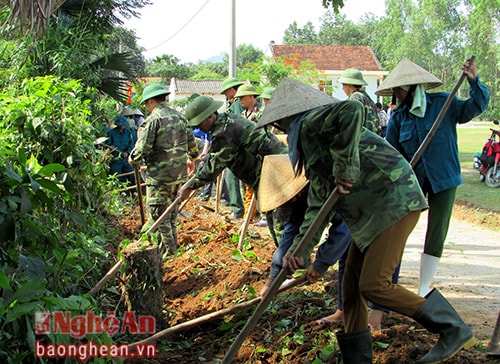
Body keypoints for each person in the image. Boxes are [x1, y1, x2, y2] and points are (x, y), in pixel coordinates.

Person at [257, 77, 476, 364]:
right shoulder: (313, 145)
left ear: (284, 120)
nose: (279, 130)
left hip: (393, 200)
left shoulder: (311, 122)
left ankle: (452, 328)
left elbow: (352, 110)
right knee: (351, 287)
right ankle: (358, 359)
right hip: (372, 212)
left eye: (278, 125)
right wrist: (300, 252)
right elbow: (317, 204)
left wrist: (346, 166)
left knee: (374, 285)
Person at [379, 58, 490, 297]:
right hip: (413, 182)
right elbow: (392, 154)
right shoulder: (399, 118)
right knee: (398, 227)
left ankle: (422, 288)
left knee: (437, 230)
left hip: (444, 178)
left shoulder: (444, 103)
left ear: (412, 88)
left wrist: (473, 80)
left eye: (399, 89)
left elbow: (477, 105)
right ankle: (387, 283)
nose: (396, 93)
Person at [177, 95, 288, 246]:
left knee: (281, 226)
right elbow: (213, 156)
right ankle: (286, 259)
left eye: (199, 124)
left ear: (210, 116)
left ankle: (293, 263)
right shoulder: (226, 121)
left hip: (276, 176)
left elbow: (213, 167)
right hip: (269, 176)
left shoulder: (224, 131)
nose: (198, 128)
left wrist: (189, 185)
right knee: (275, 223)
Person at [257, 154, 351, 302]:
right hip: (349, 222)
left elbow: (344, 226)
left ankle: (375, 314)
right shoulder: (297, 201)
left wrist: (321, 263)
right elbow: (291, 235)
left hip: (375, 210)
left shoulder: (324, 186)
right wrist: (272, 280)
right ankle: (344, 311)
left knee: (358, 267)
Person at [129, 84, 199, 257]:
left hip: (159, 178)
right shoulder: (180, 117)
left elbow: (142, 149)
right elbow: (193, 148)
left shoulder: (154, 120)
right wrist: (193, 160)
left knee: (160, 218)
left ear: (152, 101)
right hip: (178, 177)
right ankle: (171, 252)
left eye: (147, 103)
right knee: (172, 216)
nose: (146, 107)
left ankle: (169, 254)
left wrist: (133, 159)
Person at [234, 84, 265, 225]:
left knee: (258, 187)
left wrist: (256, 117)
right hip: (246, 155)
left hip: (259, 153)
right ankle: (248, 215)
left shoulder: (261, 111)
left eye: (242, 97)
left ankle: (257, 215)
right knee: (246, 187)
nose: (240, 101)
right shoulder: (243, 114)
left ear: (251, 96)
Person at [220, 77, 246, 219]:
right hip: (239, 146)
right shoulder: (235, 104)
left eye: (226, 92)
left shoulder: (237, 104)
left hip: (238, 147)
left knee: (232, 177)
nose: (225, 95)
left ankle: (237, 209)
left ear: (232, 90)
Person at [338, 68, 382, 135]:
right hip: (372, 141)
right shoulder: (367, 98)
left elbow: (350, 124)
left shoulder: (355, 98)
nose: (342, 88)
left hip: (361, 141)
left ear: (350, 84)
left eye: (343, 85)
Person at [107, 115, 135, 187]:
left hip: (125, 159)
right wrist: (111, 148)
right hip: (116, 159)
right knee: (115, 176)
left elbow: (131, 144)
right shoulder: (111, 133)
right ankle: (117, 193)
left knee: (132, 174)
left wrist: (127, 152)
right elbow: (108, 144)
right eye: (120, 125)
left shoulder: (128, 132)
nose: (121, 127)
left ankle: (134, 191)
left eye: (123, 125)